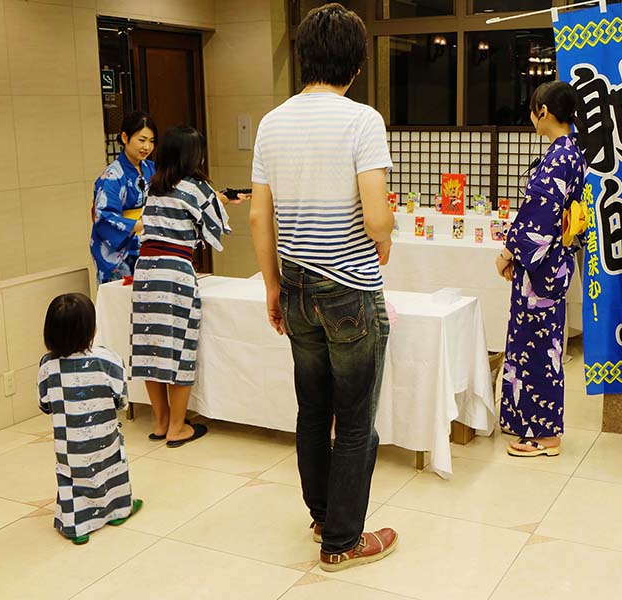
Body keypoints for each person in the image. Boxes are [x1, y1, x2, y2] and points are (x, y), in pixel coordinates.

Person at [249, 3, 398, 573]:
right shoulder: (362, 121)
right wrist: (379, 246)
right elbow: (377, 216)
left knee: (312, 409)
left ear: (304, 57)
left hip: (296, 287)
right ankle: (342, 539)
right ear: (355, 65)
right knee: (356, 415)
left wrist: (272, 287)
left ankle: (320, 516)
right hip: (349, 290)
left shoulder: (271, 122)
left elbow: (261, 218)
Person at [495, 81, 588, 458]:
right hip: (550, 264)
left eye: (533, 110)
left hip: (542, 269)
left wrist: (508, 253)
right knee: (535, 345)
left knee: (538, 349)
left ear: (544, 112)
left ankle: (544, 434)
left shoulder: (560, 156)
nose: (532, 117)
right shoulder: (571, 151)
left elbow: (539, 216)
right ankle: (525, 419)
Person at [130, 126, 230, 447]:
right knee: (179, 348)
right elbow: (217, 229)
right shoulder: (198, 187)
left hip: (145, 270)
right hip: (176, 273)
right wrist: (222, 200)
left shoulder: (152, 186)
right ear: (192, 155)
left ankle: (159, 422)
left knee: (150, 347)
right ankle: (177, 427)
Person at [37, 293, 142, 545]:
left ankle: (77, 526)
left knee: (72, 480)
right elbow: (121, 398)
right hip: (105, 436)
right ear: (91, 328)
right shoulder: (107, 359)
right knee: (112, 468)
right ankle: (117, 511)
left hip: (69, 443)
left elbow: (45, 403)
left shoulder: (47, 366)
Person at [91, 111, 158, 284]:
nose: (147, 147)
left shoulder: (152, 168)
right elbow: (104, 217)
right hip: (120, 253)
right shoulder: (112, 176)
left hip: (149, 244)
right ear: (124, 137)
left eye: (151, 141)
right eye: (141, 140)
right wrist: (144, 224)